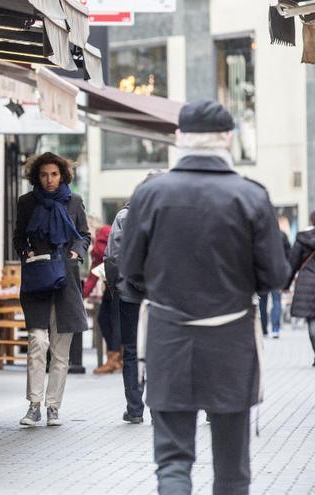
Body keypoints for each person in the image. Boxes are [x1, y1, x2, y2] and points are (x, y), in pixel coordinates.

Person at [121, 100, 290, 494]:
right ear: (227, 139)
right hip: (231, 338)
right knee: (232, 470)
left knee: (173, 463)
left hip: (168, 335)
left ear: (179, 138)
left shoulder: (150, 194)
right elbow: (275, 276)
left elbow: (129, 270)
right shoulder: (250, 195)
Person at [12, 152, 91, 427]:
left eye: (54, 174)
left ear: (63, 175)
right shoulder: (26, 202)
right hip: (37, 277)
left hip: (66, 280)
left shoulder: (74, 201)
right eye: (44, 174)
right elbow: (18, 238)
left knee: (60, 351)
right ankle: (34, 405)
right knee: (38, 342)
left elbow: (84, 236)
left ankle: (53, 407)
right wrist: (27, 251)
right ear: (37, 176)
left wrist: (75, 253)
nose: (49, 179)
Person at [103, 170, 164, 425]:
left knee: (131, 351)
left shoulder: (125, 216)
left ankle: (135, 409)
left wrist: (115, 285)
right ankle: (159, 408)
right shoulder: (170, 217)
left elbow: (113, 256)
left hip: (130, 294)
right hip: (162, 296)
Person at [88, 222, 122, 375]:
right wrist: (81, 294)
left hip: (119, 283)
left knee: (115, 321)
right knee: (103, 318)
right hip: (110, 284)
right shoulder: (98, 238)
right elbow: (94, 274)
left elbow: (103, 255)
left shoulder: (104, 232)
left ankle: (114, 359)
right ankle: (116, 356)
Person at [286, 209, 315, 366]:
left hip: (307, 283)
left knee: (312, 320)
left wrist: (285, 284)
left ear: (311, 220)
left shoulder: (303, 240)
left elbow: (292, 264)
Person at [259, 226, 290, 338]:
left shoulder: (261, 235)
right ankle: (275, 329)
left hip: (263, 274)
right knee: (276, 301)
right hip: (277, 273)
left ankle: (264, 330)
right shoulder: (282, 236)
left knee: (263, 302)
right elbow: (288, 255)